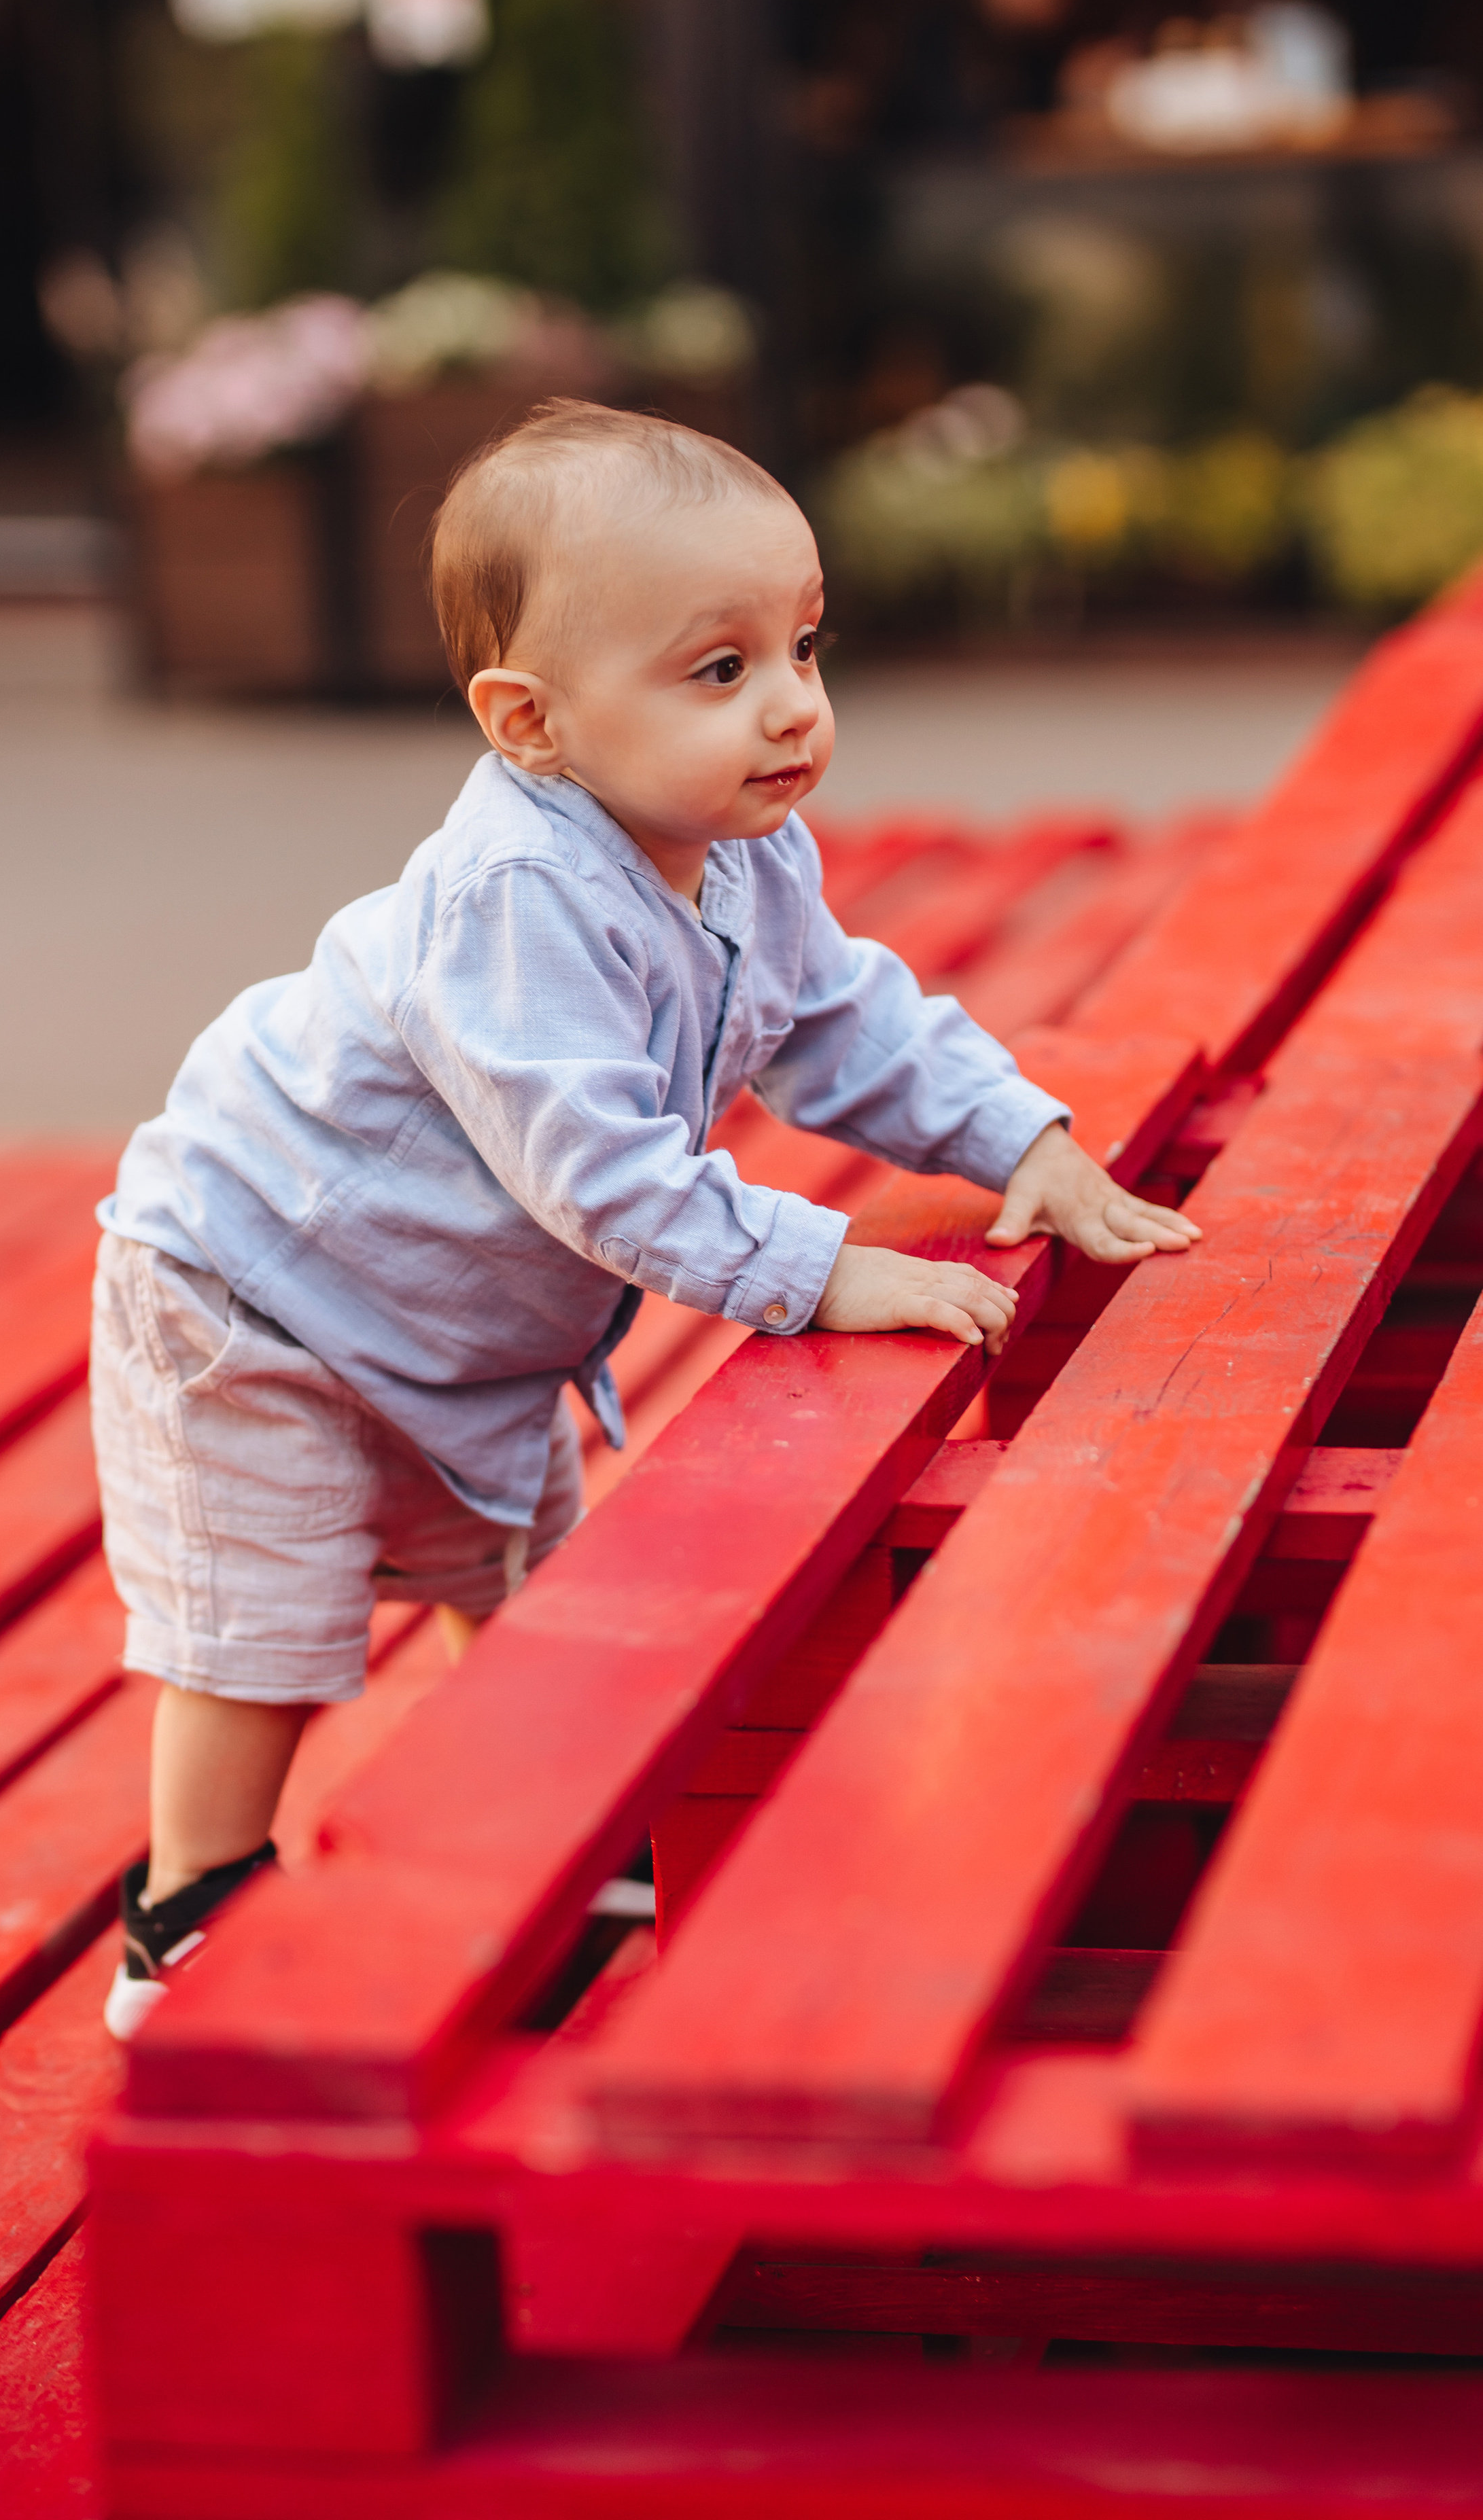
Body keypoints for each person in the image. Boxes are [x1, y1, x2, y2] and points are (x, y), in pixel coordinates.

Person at [90, 399, 1199, 2039]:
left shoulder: (743, 853)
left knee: (516, 1570)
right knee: (261, 1617)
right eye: (718, 672)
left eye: (802, 649)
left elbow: (840, 1021)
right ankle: (189, 1908)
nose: (792, 711)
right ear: (527, 722)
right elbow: (595, 1170)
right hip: (256, 1291)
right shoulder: (512, 903)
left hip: (457, 1318)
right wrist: (819, 1274)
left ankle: (528, 1825)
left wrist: (1009, 1137)